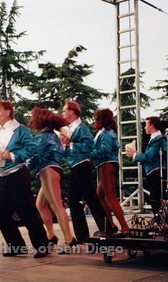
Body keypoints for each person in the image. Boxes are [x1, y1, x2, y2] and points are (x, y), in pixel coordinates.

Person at [0, 100, 49, 258]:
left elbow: (32, 148)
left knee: (26, 211)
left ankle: (42, 246)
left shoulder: (21, 130)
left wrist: (12, 155)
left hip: (18, 173)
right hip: (4, 176)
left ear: (8, 112)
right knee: (0, 213)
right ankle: (17, 246)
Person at [60, 100, 113, 241]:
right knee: (74, 200)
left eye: (64, 110)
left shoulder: (81, 128)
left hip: (82, 165)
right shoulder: (70, 128)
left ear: (71, 112)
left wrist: (70, 143)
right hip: (75, 166)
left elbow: (88, 146)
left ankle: (107, 229)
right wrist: (63, 146)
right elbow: (68, 151)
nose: (62, 113)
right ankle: (83, 235)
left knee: (90, 198)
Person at [27, 107, 77, 254]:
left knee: (56, 206)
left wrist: (26, 167)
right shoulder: (53, 135)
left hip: (47, 170)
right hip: (54, 169)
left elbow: (36, 157)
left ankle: (69, 239)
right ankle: (51, 235)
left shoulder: (42, 137)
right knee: (41, 205)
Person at [91, 108, 130, 235]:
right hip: (108, 164)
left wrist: (90, 154)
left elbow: (104, 151)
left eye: (96, 119)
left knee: (111, 198)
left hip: (106, 165)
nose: (94, 122)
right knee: (99, 196)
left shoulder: (105, 134)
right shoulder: (109, 132)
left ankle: (124, 227)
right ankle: (111, 225)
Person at [125, 116, 168, 216]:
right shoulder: (155, 139)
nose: (144, 128)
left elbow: (149, 157)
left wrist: (135, 154)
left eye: (146, 125)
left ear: (152, 126)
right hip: (155, 171)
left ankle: (160, 220)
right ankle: (160, 220)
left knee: (155, 198)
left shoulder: (157, 140)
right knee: (155, 197)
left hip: (156, 172)